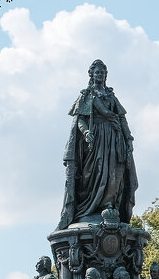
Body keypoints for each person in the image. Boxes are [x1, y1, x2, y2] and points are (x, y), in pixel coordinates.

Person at [59, 59, 138, 230]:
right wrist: (86, 132)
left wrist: (128, 138)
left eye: (102, 72)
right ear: (92, 75)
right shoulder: (86, 95)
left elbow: (121, 118)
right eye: (97, 72)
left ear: (105, 75)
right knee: (94, 172)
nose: (100, 75)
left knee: (113, 173)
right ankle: (89, 208)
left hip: (113, 137)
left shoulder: (110, 96)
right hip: (95, 140)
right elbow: (80, 119)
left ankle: (109, 205)